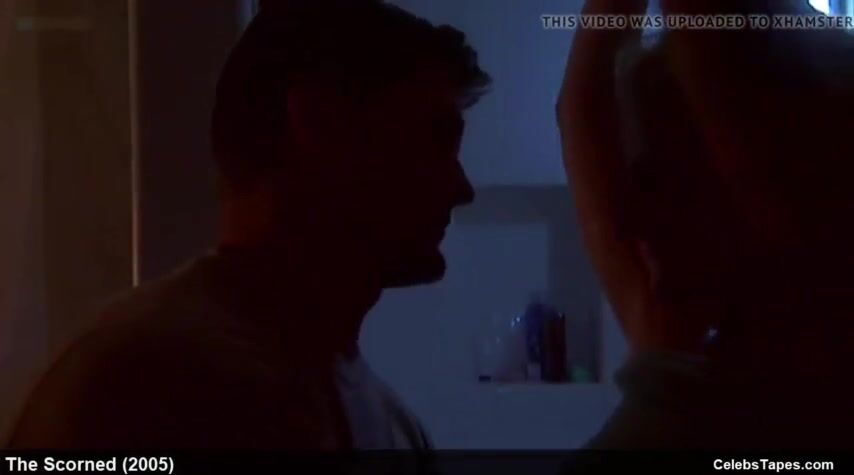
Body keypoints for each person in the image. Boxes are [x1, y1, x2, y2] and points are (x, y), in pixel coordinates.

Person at [9, 0, 490, 449]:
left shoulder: (393, 424)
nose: (461, 187)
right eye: (435, 140)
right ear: (316, 123)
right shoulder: (142, 385)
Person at [558, 0, 854, 449]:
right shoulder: (672, 333)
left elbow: (579, 109)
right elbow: (579, 109)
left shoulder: (673, 359)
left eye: (670, 181)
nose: (637, 213)